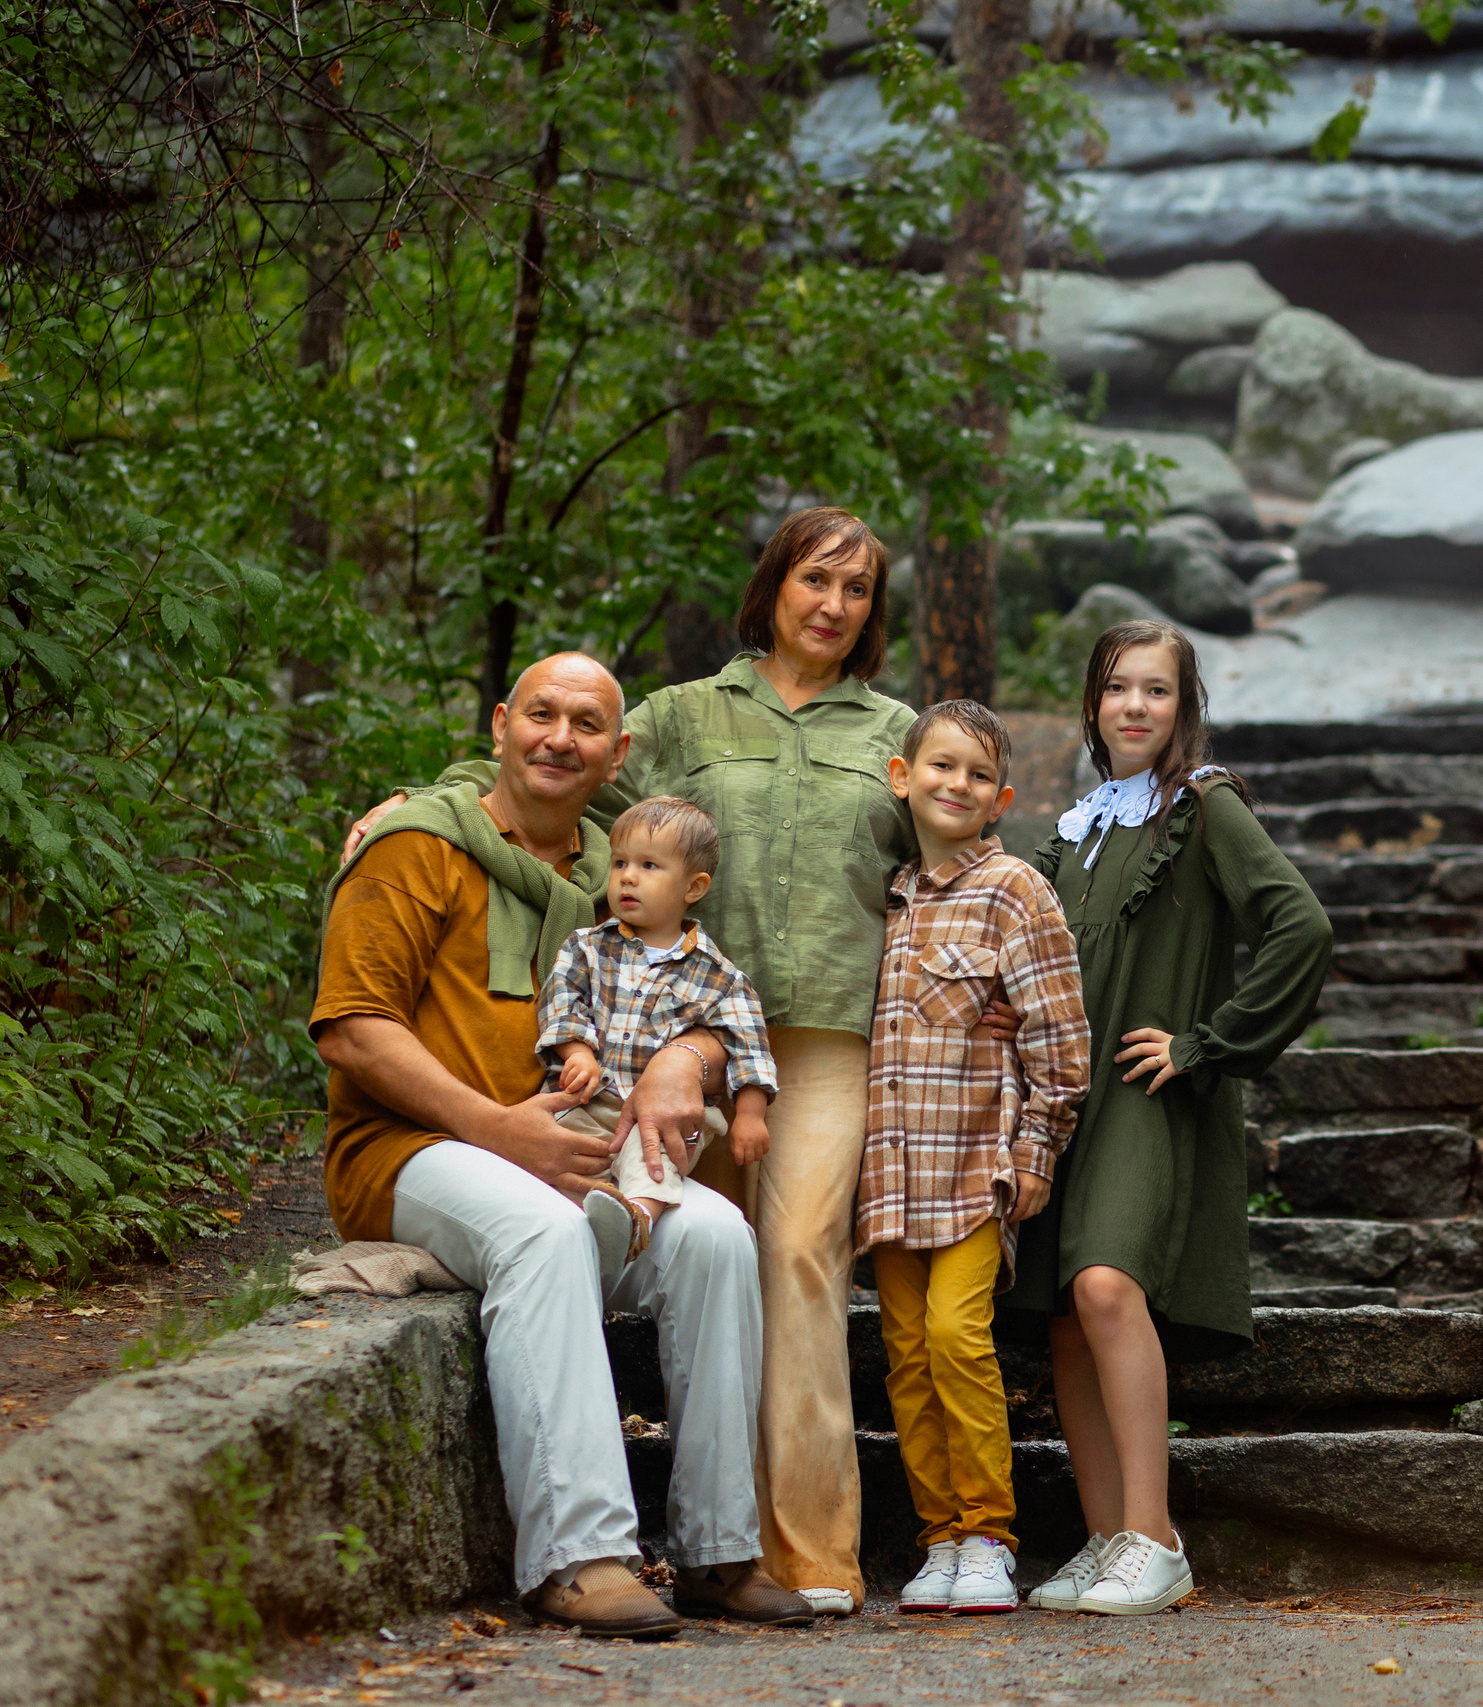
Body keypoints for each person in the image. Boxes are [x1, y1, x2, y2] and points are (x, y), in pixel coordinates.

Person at [340, 510, 1014, 1612]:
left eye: (855, 591)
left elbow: (961, 846)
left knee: (796, 1257)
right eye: (814, 580)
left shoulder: (892, 729)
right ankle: (682, 1539)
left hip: (836, 1037)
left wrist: (992, 1004)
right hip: (684, 1035)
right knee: (704, 1247)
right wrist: (437, 795)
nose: (831, 605)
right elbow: (565, 757)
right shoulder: (691, 714)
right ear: (774, 586)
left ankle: (804, 1554)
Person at [312, 653, 811, 1635]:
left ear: (615, 752)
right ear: (500, 723)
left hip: (571, 1147)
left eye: (587, 725)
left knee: (714, 1236)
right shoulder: (415, 845)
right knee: (541, 1230)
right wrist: (498, 1129)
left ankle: (717, 1549)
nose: (559, 738)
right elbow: (352, 1028)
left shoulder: (612, 870)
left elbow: (702, 993)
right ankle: (578, 1554)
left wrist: (692, 1057)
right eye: (541, 714)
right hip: (412, 1150)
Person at [1003, 622, 1334, 1616]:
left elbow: (1300, 925)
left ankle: (1154, 1536)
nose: (1135, 706)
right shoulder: (1082, 828)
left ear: (1183, 706)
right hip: (1067, 1099)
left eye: (1156, 690)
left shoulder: (1204, 805)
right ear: (1093, 705)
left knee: (1105, 1286)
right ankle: (1107, 1542)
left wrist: (1205, 1042)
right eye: (1116, 689)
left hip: (1148, 1094)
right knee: (1064, 1317)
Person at [856, 700, 1091, 1617]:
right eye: (939, 766)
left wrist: (1038, 1149)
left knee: (958, 1338)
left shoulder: (1017, 889)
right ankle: (939, 1536)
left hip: (971, 1165)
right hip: (890, 1172)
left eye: (977, 775)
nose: (956, 784)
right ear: (901, 776)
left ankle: (990, 1534)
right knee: (906, 1353)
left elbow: (1060, 1035)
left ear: (1002, 797)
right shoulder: (888, 897)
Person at [538, 795, 779, 1268]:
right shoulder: (587, 947)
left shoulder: (720, 976)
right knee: (557, 1150)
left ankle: (636, 1221)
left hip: (665, 1115)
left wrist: (751, 1116)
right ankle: (562, 1226)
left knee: (657, 1158)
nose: (628, 876)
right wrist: (578, 1052)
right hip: (589, 1097)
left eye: (649, 865)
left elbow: (749, 1047)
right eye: (620, 862)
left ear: (694, 886)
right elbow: (562, 1001)